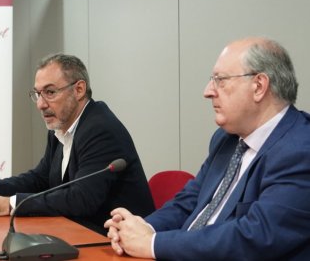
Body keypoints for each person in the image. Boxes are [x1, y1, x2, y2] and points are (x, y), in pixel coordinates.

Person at [104, 37, 310, 259]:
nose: (208, 91)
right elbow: (189, 202)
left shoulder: (300, 148)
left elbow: (256, 236)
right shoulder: (226, 139)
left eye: (220, 80)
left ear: (259, 86)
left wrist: (153, 244)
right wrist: (139, 229)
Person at [0, 53, 155, 234]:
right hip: (77, 231)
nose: (41, 104)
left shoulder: (100, 129)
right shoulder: (61, 125)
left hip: (117, 242)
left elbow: (82, 198)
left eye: (50, 92)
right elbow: (41, 178)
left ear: (79, 89)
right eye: (37, 94)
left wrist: (10, 204)